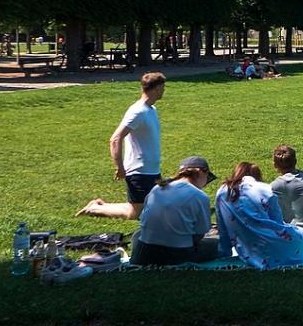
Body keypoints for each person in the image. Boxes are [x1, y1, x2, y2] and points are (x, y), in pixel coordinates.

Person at [75, 72, 166, 219]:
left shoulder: (151, 109)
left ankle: (99, 206)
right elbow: (115, 139)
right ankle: (95, 209)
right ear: (156, 89)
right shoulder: (138, 112)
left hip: (152, 169)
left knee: (153, 208)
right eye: (163, 87)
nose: (164, 91)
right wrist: (120, 167)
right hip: (139, 170)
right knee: (135, 213)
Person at [130, 156, 219, 266]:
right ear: (200, 172)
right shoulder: (199, 196)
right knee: (218, 243)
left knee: (138, 234)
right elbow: (199, 234)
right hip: (177, 255)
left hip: (144, 254)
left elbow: (144, 221)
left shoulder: (156, 189)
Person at [270, 145, 303, 232]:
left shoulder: (282, 183)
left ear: (275, 165)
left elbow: (259, 197)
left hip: (302, 236)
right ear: (295, 161)